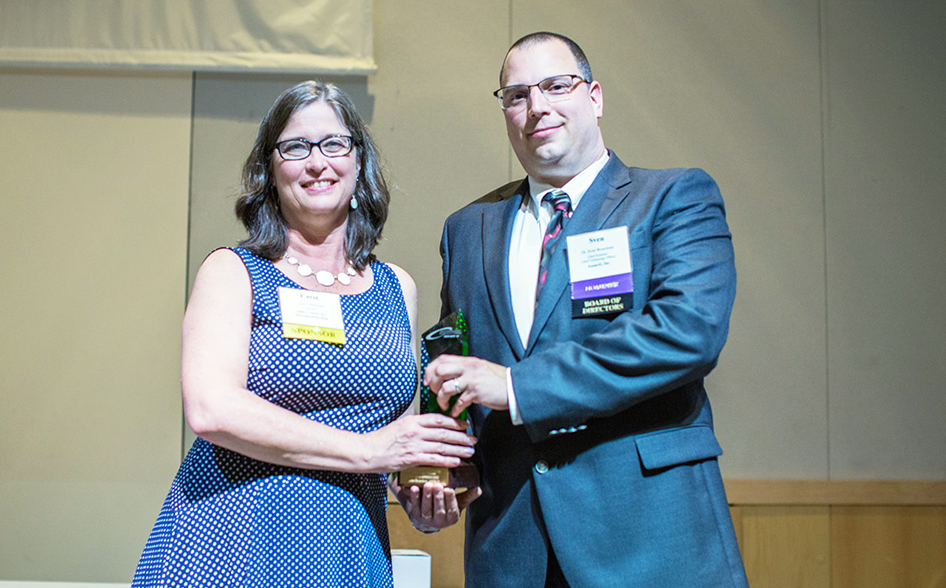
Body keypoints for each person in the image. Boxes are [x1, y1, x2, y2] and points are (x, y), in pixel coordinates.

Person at [420, 33, 750, 587]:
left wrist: (520, 388)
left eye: (556, 86)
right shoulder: (467, 229)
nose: (537, 107)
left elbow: (686, 333)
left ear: (594, 97)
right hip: (511, 547)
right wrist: (442, 467)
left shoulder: (673, 198)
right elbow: (462, 365)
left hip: (647, 538)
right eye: (517, 94)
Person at [131, 80, 477, 588]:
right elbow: (211, 410)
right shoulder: (234, 271)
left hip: (348, 552)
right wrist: (368, 452)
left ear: (359, 164)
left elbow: (395, 443)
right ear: (270, 171)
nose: (317, 162)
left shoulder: (395, 286)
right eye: (295, 147)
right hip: (231, 545)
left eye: (334, 144)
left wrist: (424, 493)